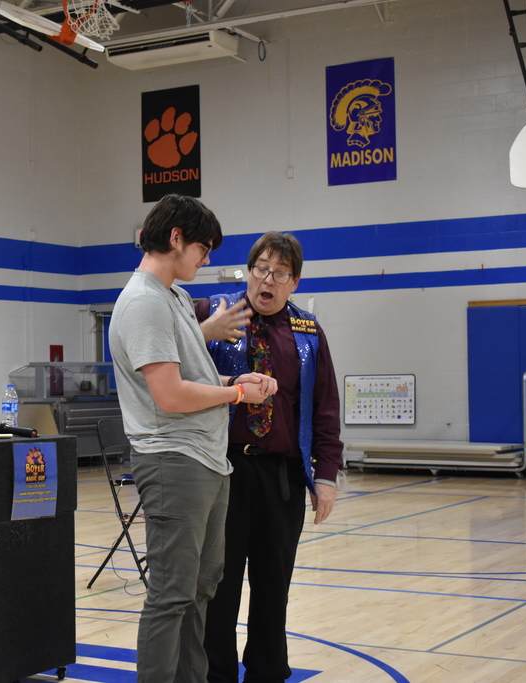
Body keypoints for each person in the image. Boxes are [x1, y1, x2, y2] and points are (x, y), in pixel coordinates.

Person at [108, 194, 276, 683]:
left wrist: (234, 384)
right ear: (176, 237)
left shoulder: (175, 298)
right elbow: (171, 396)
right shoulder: (142, 302)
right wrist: (237, 397)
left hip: (205, 459)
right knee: (171, 594)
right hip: (173, 460)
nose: (207, 259)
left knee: (202, 588)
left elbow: (192, 379)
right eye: (203, 248)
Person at [200, 231, 344, 683]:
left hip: (281, 474)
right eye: (260, 269)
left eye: (279, 273)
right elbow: (169, 363)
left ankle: (266, 671)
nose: (267, 280)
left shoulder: (307, 332)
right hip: (222, 470)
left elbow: (325, 407)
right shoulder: (212, 311)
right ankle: (215, 673)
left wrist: (326, 476)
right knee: (219, 585)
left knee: (273, 584)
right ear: (248, 271)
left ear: (294, 283)